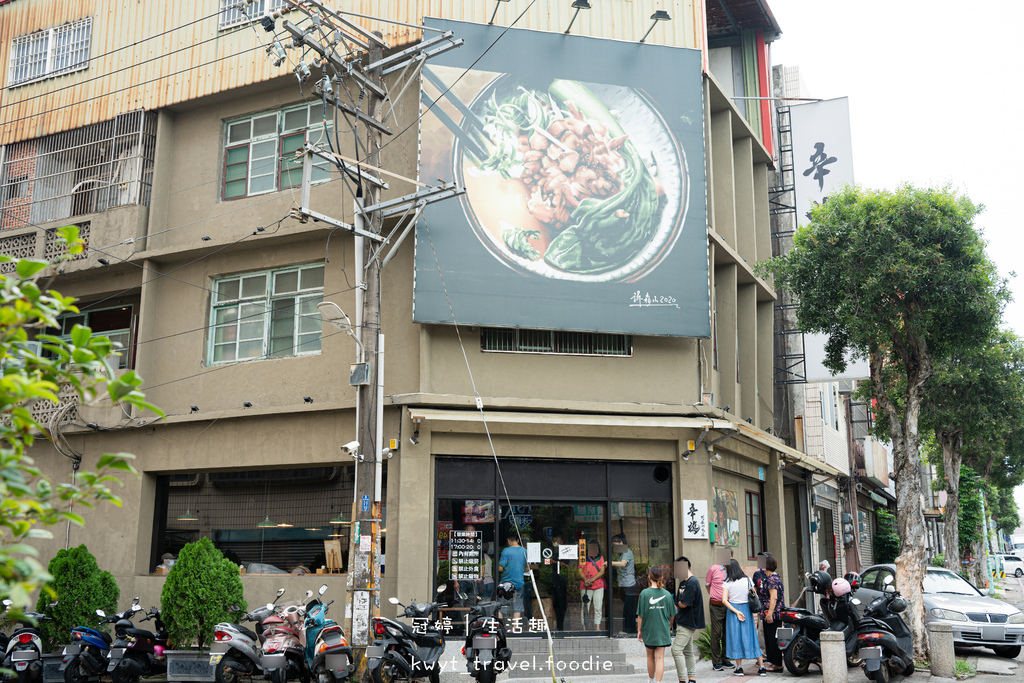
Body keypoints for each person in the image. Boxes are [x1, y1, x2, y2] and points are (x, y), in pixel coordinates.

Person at [722, 559, 765, 677]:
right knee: (751, 636)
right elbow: (754, 595)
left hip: (733, 610)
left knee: (736, 638)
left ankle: (739, 668)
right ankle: (762, 667)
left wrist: (736, 612)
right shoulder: (747, 580)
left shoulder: (727, 582)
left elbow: (724, 600)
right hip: (747, 610)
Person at [637, 566, 674, 683]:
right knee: (659, 658)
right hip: (662, 629)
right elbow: (672, 614)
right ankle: (658, 682)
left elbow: (640, 615)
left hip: (648, 629)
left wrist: (639, 630)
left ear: (649, 577)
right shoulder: (667, 594)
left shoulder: (644, 593)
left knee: (650, 657)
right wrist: (669, 626)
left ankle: (651, 680)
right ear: (661, 577)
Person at [671, 556, 705, 683]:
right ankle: (692, 678)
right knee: (688, 652)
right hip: (682, 620)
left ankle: (682, 680)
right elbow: (678, 602)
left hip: (688, 621)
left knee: (676, 650)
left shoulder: (692, 582)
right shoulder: (683, 583)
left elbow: (683, 604)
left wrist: (680, 602)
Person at [705, 549, 733, 671]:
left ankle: (726, 659)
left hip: (730, 605)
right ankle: (716, 662)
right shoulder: (713, 569)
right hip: (716, 605)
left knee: (727, 633)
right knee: (716, 633)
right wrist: (714, 596)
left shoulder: (733, 570)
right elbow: (707, 585)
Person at [759, 555, 786, 672]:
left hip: (773, 614)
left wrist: (769, 614)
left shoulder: (771, 579)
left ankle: (777, 665)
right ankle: (775, 663)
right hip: (775, 613)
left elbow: (773, 598)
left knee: (772, 639)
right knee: (772, 638)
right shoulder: (775, 577)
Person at [611, 533, 637, 636]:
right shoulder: (622, 553)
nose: (615, 547)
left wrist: (609, 562)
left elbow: (622, 564)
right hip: (624, 584)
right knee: (626, 608)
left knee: (629, 608)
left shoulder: (626, 551)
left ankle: (629, 630)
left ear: (621, 542)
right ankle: (628, 629)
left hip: (629, 584)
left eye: (616, 545)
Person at [499, 534, 528, 620]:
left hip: (506, 583)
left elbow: (500, 568)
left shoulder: (506, 551)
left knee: (502, 606)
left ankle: (500, 627)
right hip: (519, 583)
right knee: (517, 607)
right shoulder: (524, 551)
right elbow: (527, 567)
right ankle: (515, 628)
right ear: (518, 540)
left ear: (508, 540)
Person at [579, 540, 606, 631]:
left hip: (598, 586)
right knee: (585, 607)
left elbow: (602, 571)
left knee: (598, 607)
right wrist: (585, 579)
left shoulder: (600, 558)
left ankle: (597, 627)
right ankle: (584, 627)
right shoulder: (583, 557)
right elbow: (579, 570)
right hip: (585, 586)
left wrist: (592, 579)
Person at [752, 552, 770, 656]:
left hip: (771, 606)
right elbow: (753, 588)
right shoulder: (757, 574)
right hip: (761, 606)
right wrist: (755, 596)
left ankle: (773, 653)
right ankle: (763, 654)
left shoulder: (773, 575)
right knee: (761, 631)